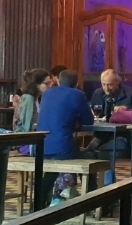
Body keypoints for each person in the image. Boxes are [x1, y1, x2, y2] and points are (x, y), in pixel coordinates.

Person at [37, 69, 94, 205]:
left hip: (40, 146)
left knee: (57, 164)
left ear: (58, 81)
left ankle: (40, 199)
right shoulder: (78, 94)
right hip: (61, 146)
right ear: (76, 83)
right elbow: (89, 121)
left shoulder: (47, 93)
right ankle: (93, 199)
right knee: (89, 156)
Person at [87, 69, 132, 187]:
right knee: (88, 152)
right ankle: (91, 186)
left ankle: (109, 186)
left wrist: (126, 110)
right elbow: (94, 113)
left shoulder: (131, 94)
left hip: (125, 136)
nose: (106, 88)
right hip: (103, 135)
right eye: (103, 84)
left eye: (110, 85)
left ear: (118, 82)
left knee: (105, 151)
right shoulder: (98, 93)